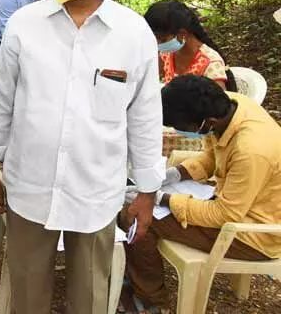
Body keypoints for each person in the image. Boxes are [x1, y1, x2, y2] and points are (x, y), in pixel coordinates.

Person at [0, 0, 164, 314]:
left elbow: (144, 118)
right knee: (27, 289)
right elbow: (1, 100)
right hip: (30, 185)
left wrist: (147, 192)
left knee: (91, 294)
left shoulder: (132, 34)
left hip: (95, 191)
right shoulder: (25, 25)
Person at [120, 75, 281, 313]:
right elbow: (212, 156)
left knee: (137, 216)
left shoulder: (251, 150)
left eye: (180, 128)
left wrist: (161, 198)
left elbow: (224, 214)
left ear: (207, 123)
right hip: (238, 203)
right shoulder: (232, 105)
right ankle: (134, 273)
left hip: (253, 233)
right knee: (140, 208)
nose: (177, 131)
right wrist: (174, 175)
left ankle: (151, 302)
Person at [144, 0, 233, 90]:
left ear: (182, 34)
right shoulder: (167, 54)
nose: (157, 44)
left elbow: (219, 101)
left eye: (162, 39)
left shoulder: (210, 64)